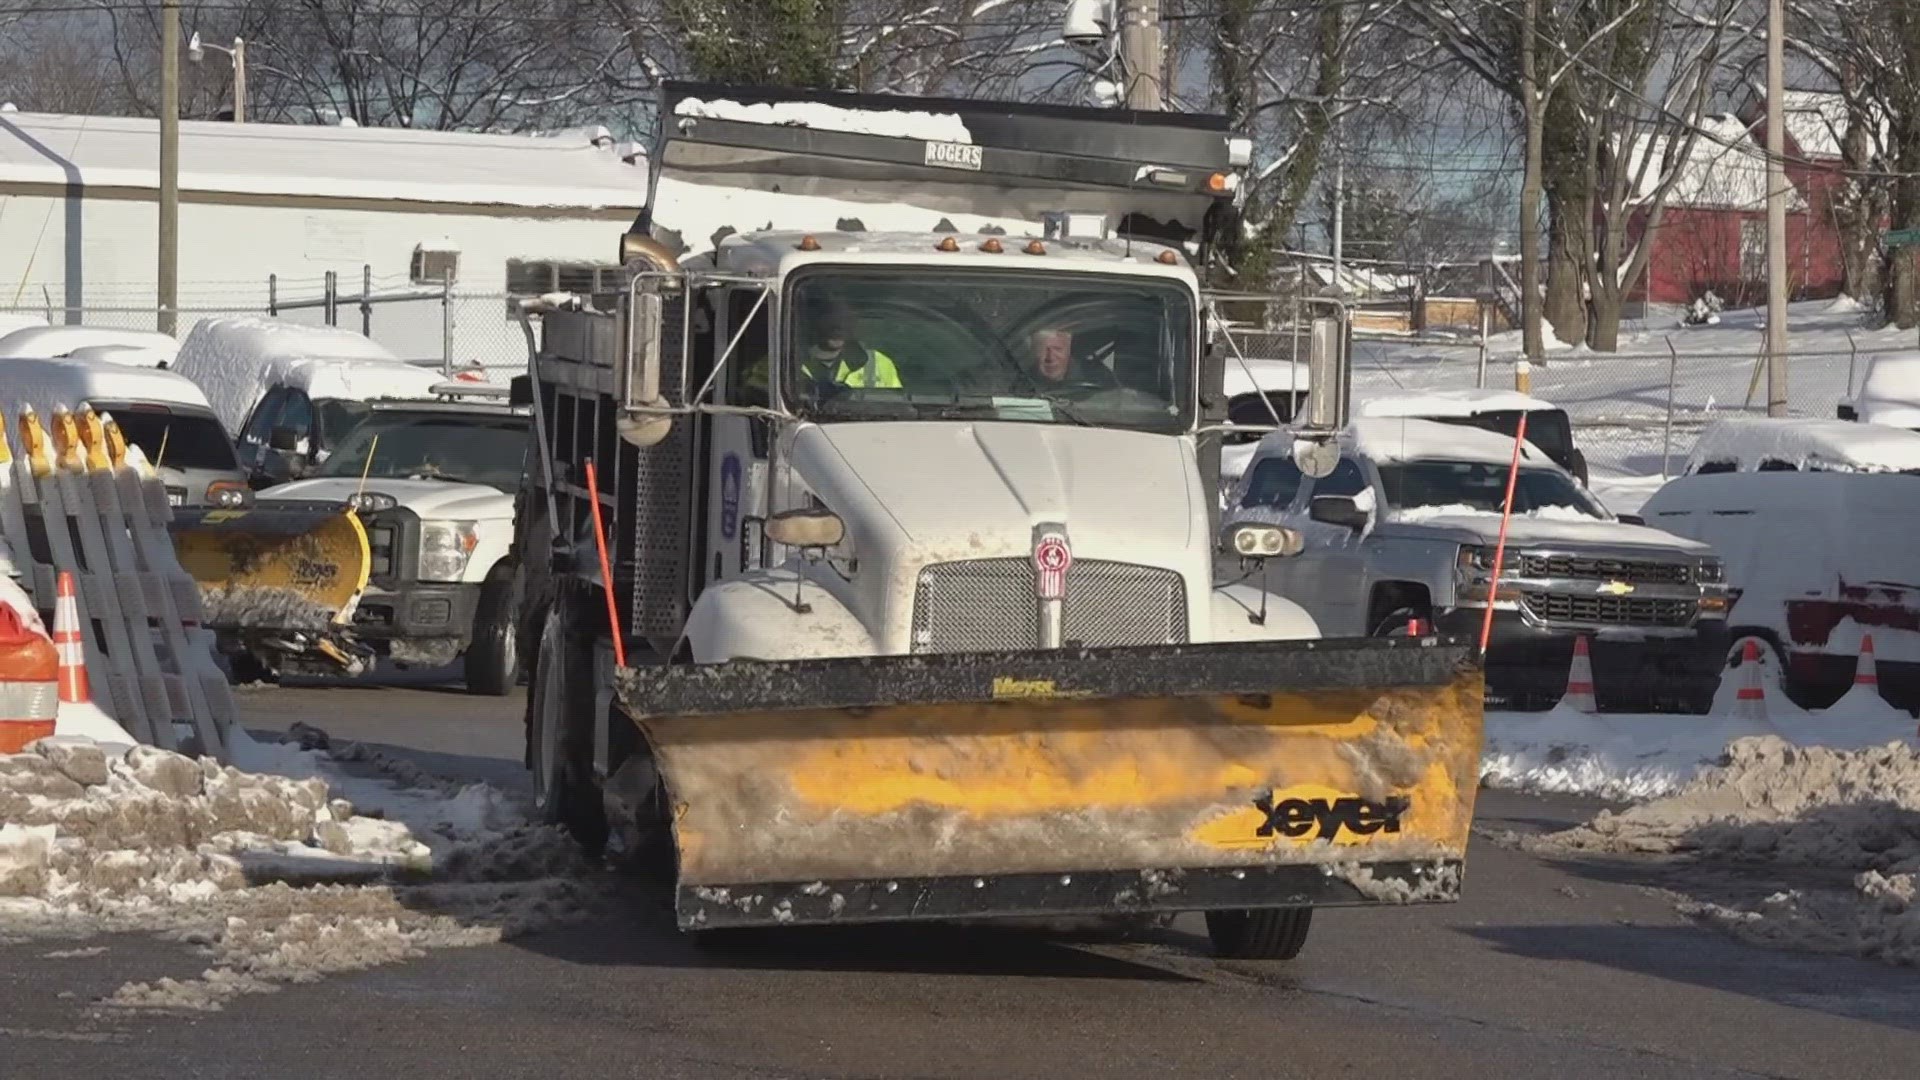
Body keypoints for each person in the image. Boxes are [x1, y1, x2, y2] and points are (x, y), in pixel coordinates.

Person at [796, 295, 903, 390]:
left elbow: (899, 407)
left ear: (853, 325)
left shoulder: (879, 363)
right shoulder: (788, 363)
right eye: (831, 319)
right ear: (815, 322)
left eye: (844, 319)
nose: (838, 328)